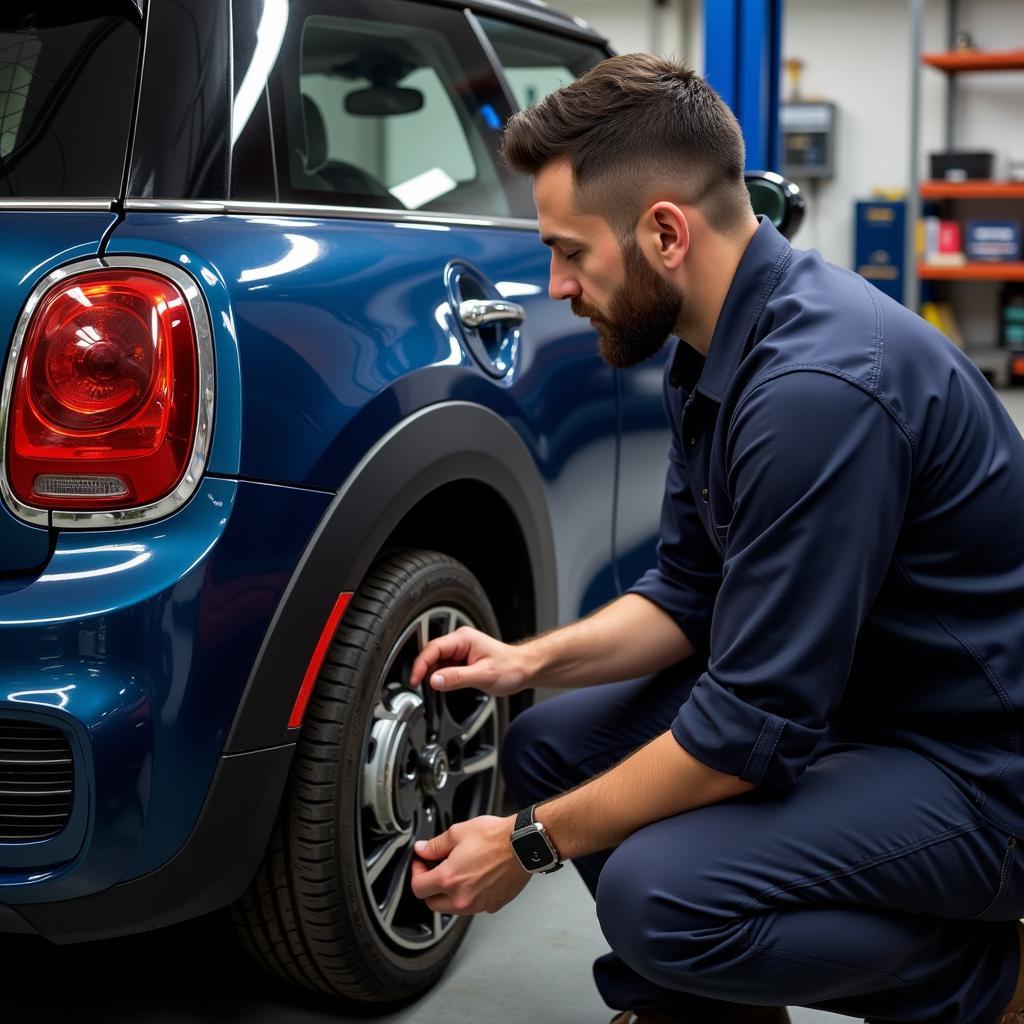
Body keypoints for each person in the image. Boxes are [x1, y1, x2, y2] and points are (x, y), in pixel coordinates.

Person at [408, 53, 1024, 1024]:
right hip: (853, 705)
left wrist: (527, 843)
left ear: (662, 232)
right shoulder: (714, 353)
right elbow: (686, 594)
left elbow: (744, 733)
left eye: (571, 252)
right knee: (552, 742)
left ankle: (980, 980)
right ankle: (703, 1005)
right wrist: (526, 658)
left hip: (975, 771)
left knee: (663, 895)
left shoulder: (817, 392)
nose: (557, 286)